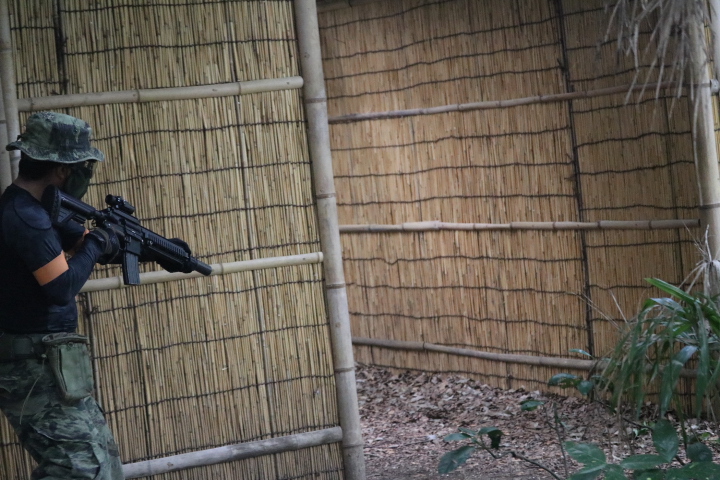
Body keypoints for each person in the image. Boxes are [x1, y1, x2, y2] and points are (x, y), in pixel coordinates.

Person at [0, 111, 124, 479]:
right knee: (79, 469)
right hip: (31, 366)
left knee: (104, 465)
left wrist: (140, 246)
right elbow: (61, 287)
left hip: (53, 363)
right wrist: (96, 243)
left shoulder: (40, 211)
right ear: (62, 170)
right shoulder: (25, 217)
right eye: (82, 167)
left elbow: (81, 242)